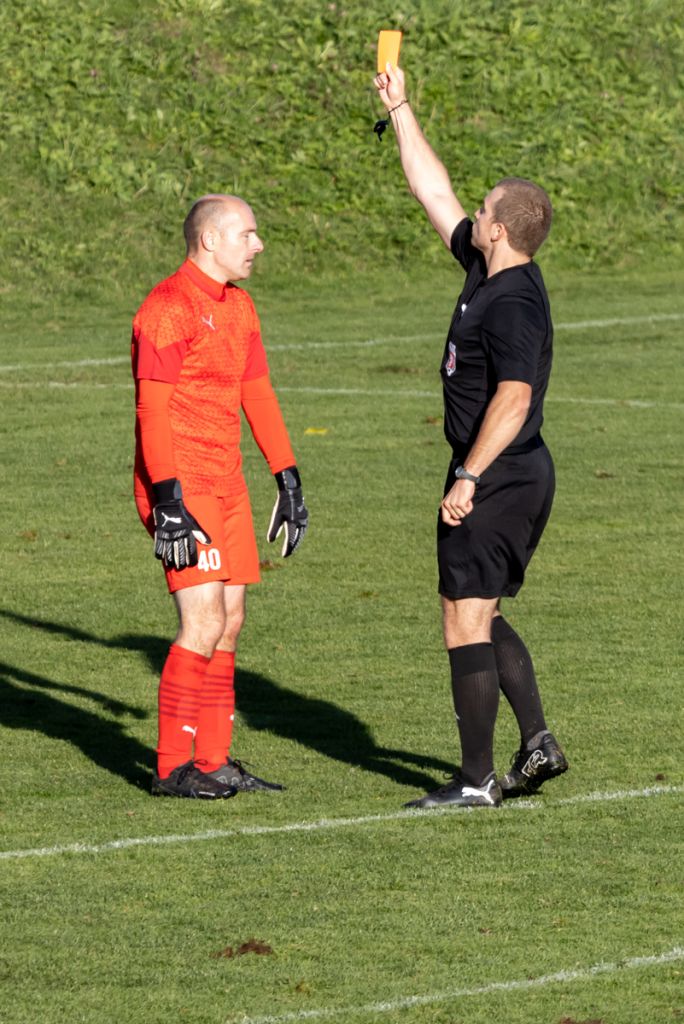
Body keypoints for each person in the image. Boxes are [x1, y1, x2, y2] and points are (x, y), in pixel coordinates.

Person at [374, 64, 567, 809]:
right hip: (510, 474)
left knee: (464, 619)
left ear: (502, 228)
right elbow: (434, 189)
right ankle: (537, 743)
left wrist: (469, 477)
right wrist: (400, 110)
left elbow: (514, 398)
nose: (472, 212)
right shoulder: (488, 265)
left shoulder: (512, 301)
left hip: (500, 473)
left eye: (484, 209)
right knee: (480, 609)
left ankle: (475, 780)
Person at [131, 194, 308, 799]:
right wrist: (168, 500)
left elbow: (256, 393)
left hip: (227, 482)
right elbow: (151, 412)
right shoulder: (166, 307)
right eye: (247, 235)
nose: (257, 245)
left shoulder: (240, 308)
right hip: (182, 486)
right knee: (201, 622)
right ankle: (170, 766)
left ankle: (212, 760)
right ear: (209, 241)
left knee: (230, 623)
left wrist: (285, 474)